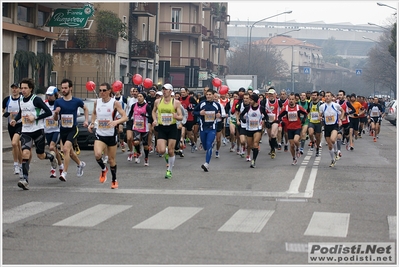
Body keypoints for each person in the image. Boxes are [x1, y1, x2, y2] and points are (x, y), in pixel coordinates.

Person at [11, 78, 58, 190]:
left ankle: (51, 157)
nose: (23, 90)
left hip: (38, 130)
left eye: (25, 88)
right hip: (26, 131)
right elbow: (22, 112)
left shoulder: (36, 100)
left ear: (30, 89)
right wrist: (16, 119)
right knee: (25, 153)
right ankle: (25, 180)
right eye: (21, 88)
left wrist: (35, 117)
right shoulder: (21, 99)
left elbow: (48, 112)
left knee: (40, 155)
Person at [88, 82, 127, 189]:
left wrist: (116, 122)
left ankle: (114, 180)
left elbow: (125, 117)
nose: (102, 92)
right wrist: (92, 123)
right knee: (97, 155)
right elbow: (94, 113)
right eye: (100, 90)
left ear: (110, 91)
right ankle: (104, 169)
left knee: (111, 160)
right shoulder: (97, 102)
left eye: (104, 90)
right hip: (100, 134)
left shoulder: (115, 103)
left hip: (111, 135)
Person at [53, 78, 88, 182]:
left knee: (66, 149)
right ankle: (80, 164)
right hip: (63, 129)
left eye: (65, 88)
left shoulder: (76, 101)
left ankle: (64, 172)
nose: (63, 90)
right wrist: (56, 113)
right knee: (71, 153)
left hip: (73, 129)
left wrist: (86, 120)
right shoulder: (58, 102)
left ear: (70, 88)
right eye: (62, 88)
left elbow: (85, 108)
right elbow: (55, 119)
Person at [151, 83, 183, 179]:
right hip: (161, 127)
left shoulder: (176, 102)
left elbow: (181, 116)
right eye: (163, 89)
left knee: (171, 150)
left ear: (170, 91)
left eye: (166, 89)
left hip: (172, 127)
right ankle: (167, 157)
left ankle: (169, 170)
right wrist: (155, 119)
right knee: (161, 150)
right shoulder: (157, 101)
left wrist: (177, 117)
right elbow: (153, 111)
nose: (164, 91)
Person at [193, 89, 223, 171]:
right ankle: (209, 149)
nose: (208, 96)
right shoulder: (202, 103)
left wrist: (219, 115)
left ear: (214, 95)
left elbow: (221, 115)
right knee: (205, 147)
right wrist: (200, 113)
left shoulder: (217, 105)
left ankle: (206, 164)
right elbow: (194, 112)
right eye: (207, 94)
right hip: (203, 128)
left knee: (209, 144)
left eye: (210, 94)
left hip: (212, 128)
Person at [278, 93, 308, 165]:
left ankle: (298, 148)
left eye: (292, 99)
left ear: (295, 100)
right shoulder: (286, 108)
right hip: (289, 128)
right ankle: (294, 158)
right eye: (290, 99)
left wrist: (303, 120)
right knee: (291, 145)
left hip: (297, 127)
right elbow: (279, 116)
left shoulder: (298, 107)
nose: (291, 101)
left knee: (295, 140)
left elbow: (305, 113)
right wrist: (282, 122)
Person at [239, 94, 268, 168]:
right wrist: (242, 119)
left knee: (255, 144)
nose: (249, 101)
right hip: (249, 129)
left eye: (250, 100)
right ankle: (251, 153)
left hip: (258, 129)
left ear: (255, 101)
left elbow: (266, 115)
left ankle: (253, 160)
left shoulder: (261, 108)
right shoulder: (247, 108)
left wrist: (266, 121)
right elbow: (241, 115)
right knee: (249, 145)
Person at [318, 91, 345, 167]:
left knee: (333, 140)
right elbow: (320, 115)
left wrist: (341, 119)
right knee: (329, 145)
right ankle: (333, 160)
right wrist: (320, 118)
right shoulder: (322, 106)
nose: (327, 97)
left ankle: (336, 151)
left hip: (334, 125)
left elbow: (342, 111)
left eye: (328, 96)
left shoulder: (336, 105)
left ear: (331, 97)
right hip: (327, 126)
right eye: (326, 96)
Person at [127, 92, 154, 166]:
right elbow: (130, 114)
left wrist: (145, 116)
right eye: (138, 96)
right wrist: (128, 119)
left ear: (144, 98)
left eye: (140, 96)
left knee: (145, 145)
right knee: (135, 142)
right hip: (136, 127)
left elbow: (151, 116)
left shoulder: (147, 106)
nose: (139, 97)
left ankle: (146, 158)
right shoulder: (133, 105)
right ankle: (138, 152)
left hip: (144, 128)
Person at [3, 83, 23, 176]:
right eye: (13, 88)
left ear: (19, 89)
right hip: (11, 125)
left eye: (16, 88)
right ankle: (21, 164)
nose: (14, 90)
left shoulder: (22, 99)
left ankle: (16, 164)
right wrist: (5, 113)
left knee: (15, 143)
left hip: (20, 124)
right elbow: (2, 110)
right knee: (16, 146)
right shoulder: (7, 100)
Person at [44, 86, 64, 178]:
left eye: (51, 95)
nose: (49, 97)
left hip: (56, 129)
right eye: (48, 95)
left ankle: (53, 169)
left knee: (52, 147)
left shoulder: (59, 103)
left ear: (55, 95)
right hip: (47, 130)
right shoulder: (44, 104)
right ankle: (60, 166)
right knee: (54, 150)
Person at [261, 88, 280, 159]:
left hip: (275, 120)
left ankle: (275, 145)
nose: (271, 96)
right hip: (268, 120)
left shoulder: (278, 102)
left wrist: (281, 118)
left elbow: (283, 109)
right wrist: (264, 119)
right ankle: (272, 149)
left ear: (275, 95)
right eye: (270, 94)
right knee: (270, 137)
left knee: (272, 134)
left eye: (272, 94)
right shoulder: (265, 101)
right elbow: (261, 110)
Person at [179, 87, 198, 152]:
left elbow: (196, 106)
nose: (182, 94)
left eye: (184, 92)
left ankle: (193, 143)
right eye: (181, 92)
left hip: (189, 118)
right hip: (182, 119)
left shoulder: (191, 98)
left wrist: (191, 108)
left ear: (187, 92)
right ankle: (181, 147)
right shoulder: (179, 99)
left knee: (190, 135)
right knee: (182, 133)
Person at [307, 91, 323, 157]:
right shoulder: (310, 103)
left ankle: (317, 149)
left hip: (318, 122)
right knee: (310, 133)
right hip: (311, 121)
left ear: (318, 96)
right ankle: (312, 142)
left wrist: (321, 117)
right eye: (312, 95)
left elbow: (324, 112)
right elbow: (308, 111)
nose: (313, 96)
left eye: (315, 95)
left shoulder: (321, 104)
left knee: (318, 137)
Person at [126, 87, 139, 159]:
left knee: (136, 139)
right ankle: (131, 151)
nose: (134, 93)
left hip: (138, 121)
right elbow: (127, 109)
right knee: (129, 138)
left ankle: (136, 151)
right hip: (130, 120)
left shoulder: (142, 100)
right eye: (133, 91)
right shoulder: (129, 100)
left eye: (136, 91)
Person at [113, 88, 128, 152]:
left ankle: (122, 143)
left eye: (117, 90)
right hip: (114, 117)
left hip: (120, 117)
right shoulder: (112, 99)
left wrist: (125, 113)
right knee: (115, 131)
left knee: (120, 130)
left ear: (120, 91)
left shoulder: (123, 98)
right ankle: (116, 143)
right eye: (115, 90)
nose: (116, 92)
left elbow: (127, 106)